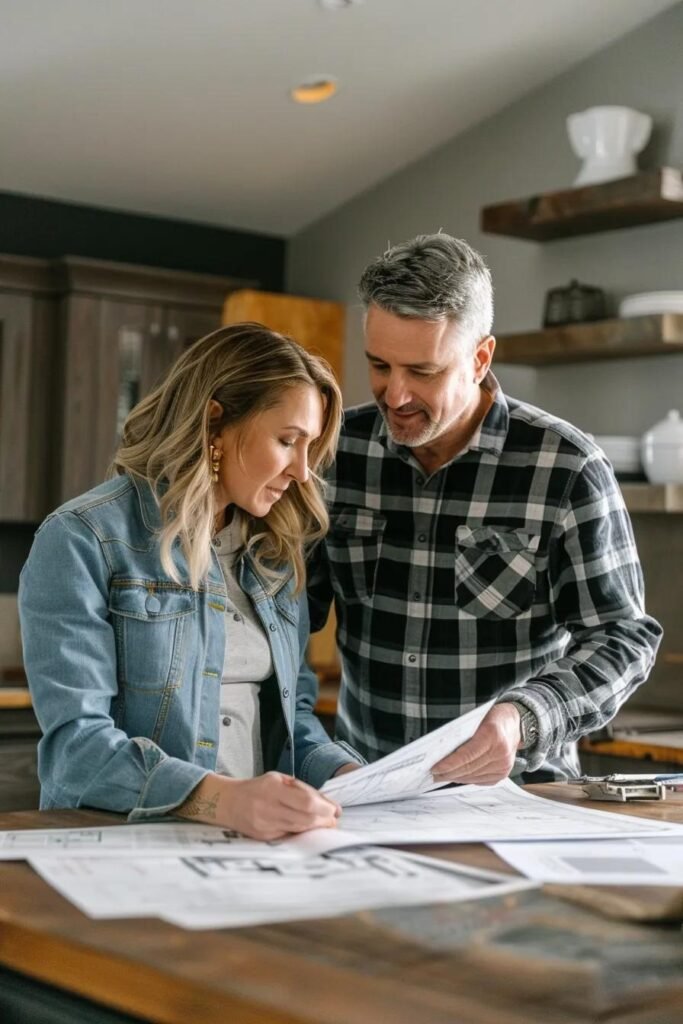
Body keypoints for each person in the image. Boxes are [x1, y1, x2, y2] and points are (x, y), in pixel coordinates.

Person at [307, 233, 662, 784]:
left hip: (521, 799)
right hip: (367, 793)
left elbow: (623, 638)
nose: (395, 395)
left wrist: (524, 718)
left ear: (479, 359)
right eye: (380, 365)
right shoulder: (334, 452)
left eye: (423, 372)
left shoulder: (566, 467)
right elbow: (280, 613)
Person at [19, 323, 364, 840]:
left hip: (254, 851)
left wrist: (347, 776)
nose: (303, 471)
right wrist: (224, 801)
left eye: (310, 447)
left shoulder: (276, 552)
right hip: (121, 847)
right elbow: (78, 752)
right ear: (215, 423)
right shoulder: (82, 538)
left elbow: (293, 720)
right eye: (288, 441)